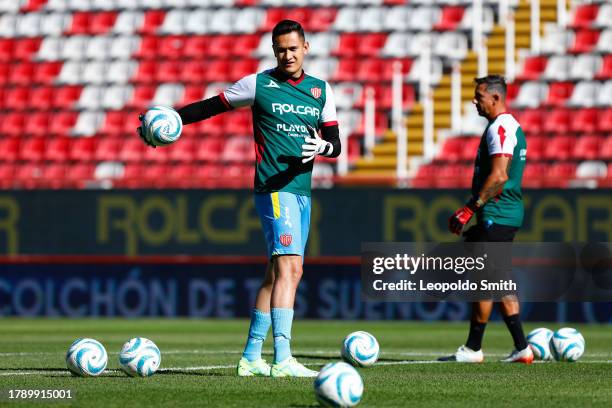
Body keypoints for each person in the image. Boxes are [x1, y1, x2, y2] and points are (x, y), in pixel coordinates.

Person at [138, 20, 340, 376]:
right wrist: (169, 119)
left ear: (305, 48)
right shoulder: (259, 84)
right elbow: (211, 106)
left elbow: (336, 145)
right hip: (274, 190)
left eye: (293, 48)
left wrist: (324, 146)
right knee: (289, 269)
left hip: (302, 192)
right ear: (274, 50)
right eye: (280, 49)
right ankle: (283, 358)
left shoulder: (321, 91)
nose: (287, 54)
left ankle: (250, 357)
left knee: (278, 274)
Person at [439, 75, 532, 363]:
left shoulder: (501, 127)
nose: (474, 101)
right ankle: (522, 348)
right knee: (499, 281)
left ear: (495, 98)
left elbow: (500, 176)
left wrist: (469, 209)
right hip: (502, 214)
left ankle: (473, 348)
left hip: (497, 214)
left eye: (479, 96)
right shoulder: (503, 126)